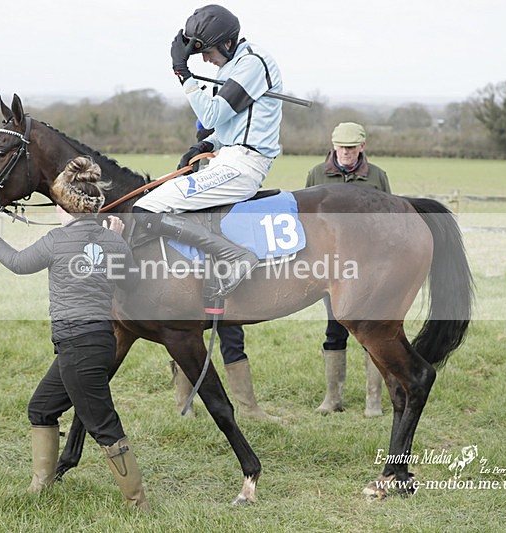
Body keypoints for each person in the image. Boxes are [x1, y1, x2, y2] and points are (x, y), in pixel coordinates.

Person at [0, 156, 149, 511]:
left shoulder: (57, 239)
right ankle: (43, 485)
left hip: (78, 346)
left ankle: (137, 502)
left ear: (62, 206)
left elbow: (20, 264)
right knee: (41, 408)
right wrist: (115, 240)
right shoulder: (114, 242)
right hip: (95, 343)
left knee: (104, 426)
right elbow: (129, 282)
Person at [132, 3, 283, 298]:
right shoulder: (232, 65)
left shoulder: (252, 63)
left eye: (208, 51)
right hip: (227, 158)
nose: (205, 59)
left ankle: (237, 257)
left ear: (228, 43)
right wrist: (205, 145)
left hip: (243, 166)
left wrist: (182, 72)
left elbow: (213, 114)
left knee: (145, 209)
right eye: (199, 53)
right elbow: (227, 126)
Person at [171, 119, 278, 422]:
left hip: (228, 269)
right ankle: (185, 406)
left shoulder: (238, 167)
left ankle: (248, 407)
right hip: (193, 272)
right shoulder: (190, 167)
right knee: (185, 336)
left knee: (232, 335)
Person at [305, 122, 391, 417]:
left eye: (351, 148)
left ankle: (373, 400)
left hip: (369, 266)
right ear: (333, 145)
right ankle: (332, 399)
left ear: (362, 147)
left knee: (372, 331)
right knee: (334, 331)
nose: (345, 153)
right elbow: (308, 221)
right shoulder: (317, 174)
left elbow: (390, 221)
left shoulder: (378, 177)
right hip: (333, 269)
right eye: (340, 147)